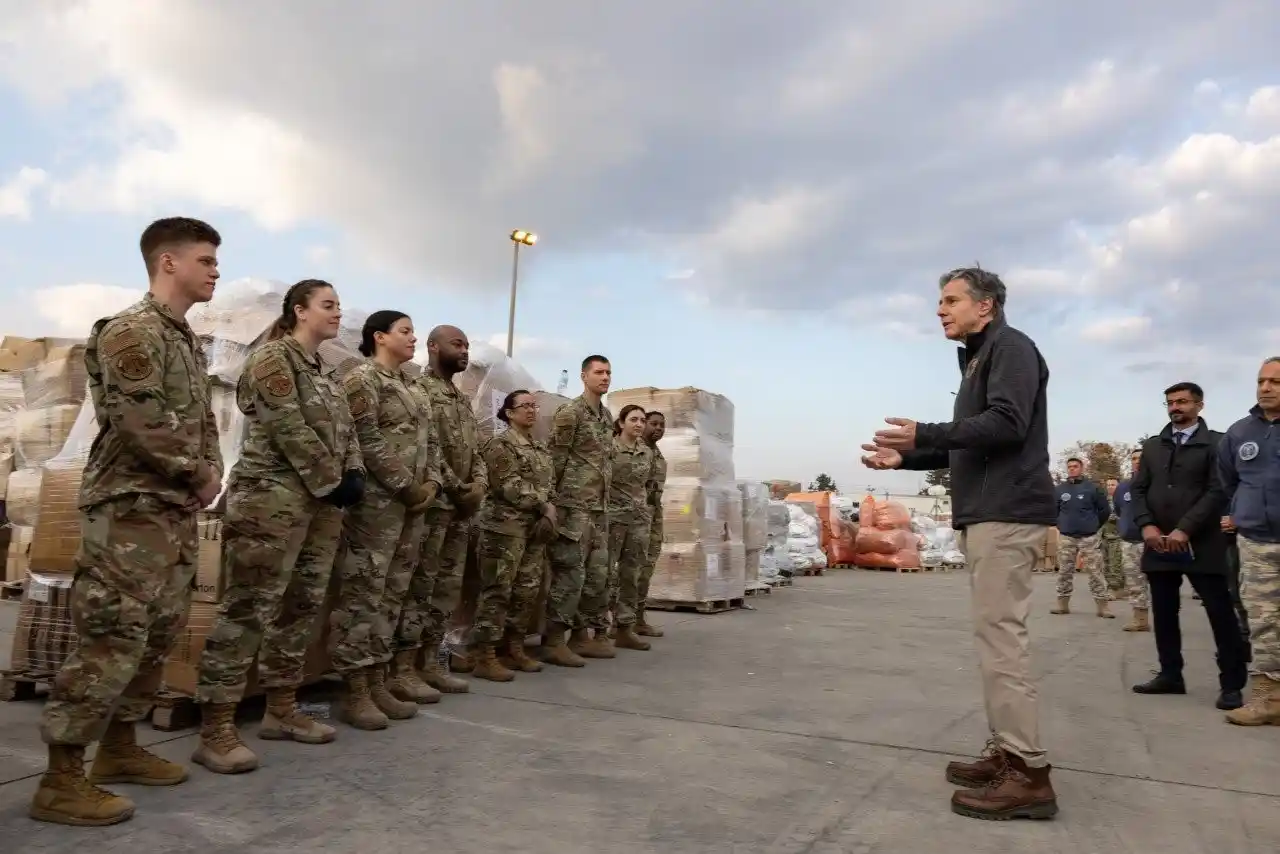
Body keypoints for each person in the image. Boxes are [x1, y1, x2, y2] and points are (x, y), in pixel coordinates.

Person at [30, 217, 225, 827]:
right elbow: (139, 418)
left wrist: (210, 471)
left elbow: (204, 422)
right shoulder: (129, 332)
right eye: (205, 259)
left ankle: (117, 750)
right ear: (168, 262)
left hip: (170, 511)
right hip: (128, 510)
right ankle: (62, 778)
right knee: (111, 636)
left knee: (158, 633)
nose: (215, 270)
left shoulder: (187, 341)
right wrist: (197, 474)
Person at [862, 266, 1058, 821]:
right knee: (995, 640)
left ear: (987, 306)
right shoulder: (979, 357)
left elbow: (1007, 425)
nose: (941, 309)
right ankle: (1008, 751)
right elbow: (972, 443)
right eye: (939, 301)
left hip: (1007, 510)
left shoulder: (1012, 349)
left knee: (1002, 642)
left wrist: (925, 432)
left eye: (951, 300)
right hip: (988, 510)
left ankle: (1028, 775)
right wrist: (911, 456)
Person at [193, 280, 365, 774]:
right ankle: (216, 729)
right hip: (272, 500)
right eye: (328, 305)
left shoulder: (326, 372)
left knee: (301, 606)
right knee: (249, 607)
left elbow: (345, 430)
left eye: (338, 304)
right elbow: (288, 425)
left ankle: (281, 710)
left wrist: (352, 472)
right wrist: (334, 480)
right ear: (299, 311)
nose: (337, 313)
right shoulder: (274, 360)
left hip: (320, 505)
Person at [329, 311, 444, 729]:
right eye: (405, 331)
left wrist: (430, 482)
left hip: (412, 506)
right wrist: (404, 485)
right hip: (378, 505)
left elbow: (430, 442)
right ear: (379, 337)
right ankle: (355, 689)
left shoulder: (412, 387)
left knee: (394, 591)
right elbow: (365, 438)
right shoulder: (363, 380)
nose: (413, 338)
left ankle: (378, 679)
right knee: (364, 592)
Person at [1129, 382, 1246, 712]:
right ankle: (1170, 674)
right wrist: (1147, 525)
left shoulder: (1217, 444)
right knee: (1164, 613)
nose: (1175, 407)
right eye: (1170, 402)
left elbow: (1217, 490)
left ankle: (1232, 684)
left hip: (1203, 543)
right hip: (1158, 543)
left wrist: (1185, 529)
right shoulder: (1153, 446)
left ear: (1199, 405)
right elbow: (1138, 490)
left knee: (1220, 614)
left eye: (1182, 401)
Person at [398, 325, 486, 692]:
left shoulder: (462, 400)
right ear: (433, 347)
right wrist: (458, 486)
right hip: (435, 505)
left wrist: (479, 484)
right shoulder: (419, 391)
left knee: (445, 590)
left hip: (460, 509)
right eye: (457, 344)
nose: (464, 350)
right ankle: (402, 668)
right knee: (420, 586)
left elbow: (477, 450)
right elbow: (428, 448)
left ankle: (430, 661)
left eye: (467, 344)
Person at [468, 390, 556, 681]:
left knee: (526, 591)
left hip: (533, 530)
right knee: (498, 592)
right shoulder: (500, 444)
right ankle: (486, 655)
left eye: (534, 406)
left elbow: (549, 486)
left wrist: (548, 509)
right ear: (508, 412)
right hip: (504, 530)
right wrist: (543, 505)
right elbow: (508, 486)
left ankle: (514, 648)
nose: (532, 410)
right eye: (525, 406)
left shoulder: (540, 448)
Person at [1217, 357, 1280, 725]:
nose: (1266, 387)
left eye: (1275, 381)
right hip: (1256, 543)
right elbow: (1227, 482)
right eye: (1261, 381)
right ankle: (1268, 699)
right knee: (1263, 622)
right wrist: (1243, 511)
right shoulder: (1240, 433)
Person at [543, 355, 615, 664]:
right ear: (584, 376)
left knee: (597, 577)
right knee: (570, 575)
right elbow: (554, 459)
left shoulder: (606, 416)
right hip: (573, 507)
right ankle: (554, 640)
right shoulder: (570, 413)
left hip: (599, 509)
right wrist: (550, 503)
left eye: (608, 372)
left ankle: (581, 636)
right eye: (598, 372)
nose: (605, 377)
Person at [606, 404, 658, 652]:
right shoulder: (609, 448)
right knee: (603, 574)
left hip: (638, 520)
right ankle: (597, 627)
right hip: (612, 518)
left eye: (642, 420)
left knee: (631, 574)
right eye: (633, 420)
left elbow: (646, 486)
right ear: (621, 423)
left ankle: (624, 627)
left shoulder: (646, 452)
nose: (639, 424)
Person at [1049, 457, 1113, 618]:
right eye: (1069, 466)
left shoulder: (1093, 488)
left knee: (1095, 571)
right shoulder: (1060, 489)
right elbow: (1053, 511)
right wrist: (1061, 524)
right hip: (1067, 536)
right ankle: (1062, 604)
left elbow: (1104, 510)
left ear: (1082, 468)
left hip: (1089, 536)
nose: (1072, 469)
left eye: (1075, 466)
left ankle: (1102, 606)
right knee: (1064, 570)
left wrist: (1093, 525)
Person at [636, 410, 668, 637]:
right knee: (630, 570)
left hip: (653, 515)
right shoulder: (635, 449)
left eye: (662, 425)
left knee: (646, 569)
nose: (658, 428)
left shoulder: (657, 454)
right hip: (635, 516)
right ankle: (620, 622)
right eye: (654, 424)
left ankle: (637, 618)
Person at [1114, 449, 1150, 632]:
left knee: (1159, 582)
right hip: (1129, 541)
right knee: (1134, 581)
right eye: (1134, 458)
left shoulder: (1155, 483)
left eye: (1140, 458)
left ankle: (1166, 618)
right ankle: (1140, 619)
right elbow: (1119, 510)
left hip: (1151, 542)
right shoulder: (1123, 487)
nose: (1137, 461)